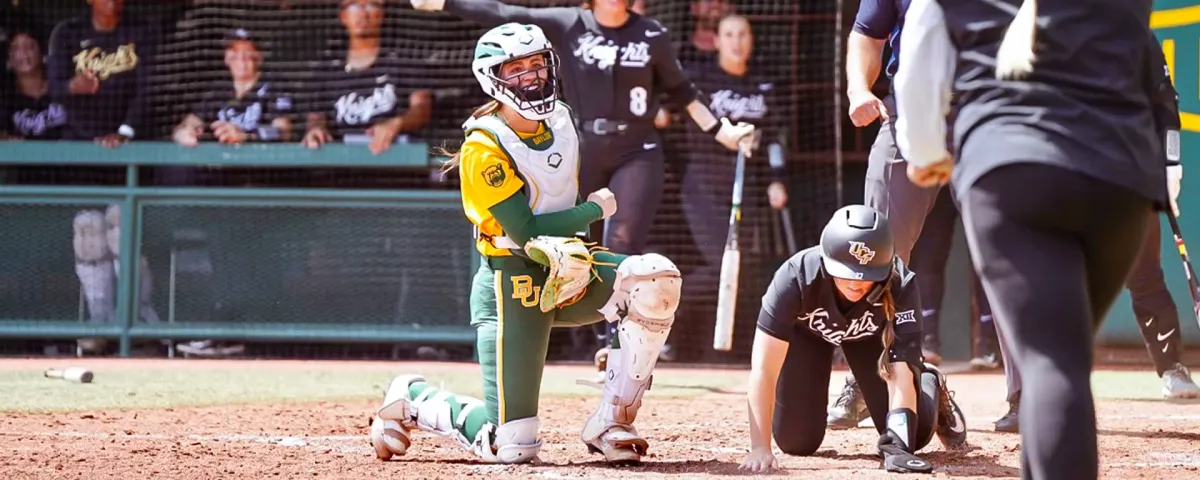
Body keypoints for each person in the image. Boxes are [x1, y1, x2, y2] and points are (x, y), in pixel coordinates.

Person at [368, 23, 682, 466]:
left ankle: (613, 422)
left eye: (537, 64)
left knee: (655, 279)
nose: (531, 76)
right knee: (513, 445)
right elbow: (525, 230)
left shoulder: (561, 119)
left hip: (568, 264)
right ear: (492, 78)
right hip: (511, 282)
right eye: (516, 69)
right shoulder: (484, 145)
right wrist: (593, 211)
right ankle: (413, 399)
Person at [406, 0, 757, 371]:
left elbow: (683, 90)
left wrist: (722, 131)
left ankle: (617, 345)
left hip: (638, 149)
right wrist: (445, 2)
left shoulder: (651, 33)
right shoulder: (570, 23)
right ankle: (574, 336)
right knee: (576, 242)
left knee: (622, 241)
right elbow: (505, 13)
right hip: (581, 145)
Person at [894, 0, 1165, 477]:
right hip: (1120, 176)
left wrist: (925, 150)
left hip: (1010, 167)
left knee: (1052, 361)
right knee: (1061, 359)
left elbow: (919, 56)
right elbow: (1146, 64)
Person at [987, 28, 1198, 433]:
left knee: (1144, 273)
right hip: (1061, 170)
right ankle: (1034, 392)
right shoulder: (1037, 34)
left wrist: (1171, 162)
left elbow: (1165, 102)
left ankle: (1172, 367)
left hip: (1126, 173)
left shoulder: (1136, 35)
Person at [739, 205, 967, 474]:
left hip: (870, 339)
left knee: (912, 437)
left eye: (867, 275)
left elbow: (901, 372)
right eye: (845, 272)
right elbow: (764, 370)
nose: (855, 283)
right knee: (796, 442)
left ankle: (929, 383)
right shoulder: (794, 277)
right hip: (808, 336)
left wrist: (898, 448)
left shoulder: (900, 283)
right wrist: (760, 447)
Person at [827, 0, 945, 431]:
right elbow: (867, 33)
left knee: (1014, 248)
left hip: (989, 112)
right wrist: (859, 89)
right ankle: (866, 379)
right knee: (876, 249)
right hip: (909, 112)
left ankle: (1028, 393)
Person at [301, 0, 433, 156]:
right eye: (354, 5)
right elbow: (316, 114)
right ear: (342, 16)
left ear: (382, 13)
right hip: (339, 161)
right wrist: (316, 128)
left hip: (394, 158)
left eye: (371, 5)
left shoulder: (404, 61)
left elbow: (421, 108)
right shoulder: (327, 67)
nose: (363, 13)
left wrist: (397, 123)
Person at [47, 0, 159, 148]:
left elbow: (149, 88)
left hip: (132, 140)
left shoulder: (142, 30)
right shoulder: (68, 32)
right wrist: (72, 86)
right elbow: (52, 88)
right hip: (79, 140)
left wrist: (125, 131)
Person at [2, 29, 67, 141]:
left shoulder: (64, 89)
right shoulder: (6, 98)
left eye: (29, 46)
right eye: (16, 48)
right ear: (10, 59)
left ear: (42, 53)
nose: (23, 53)